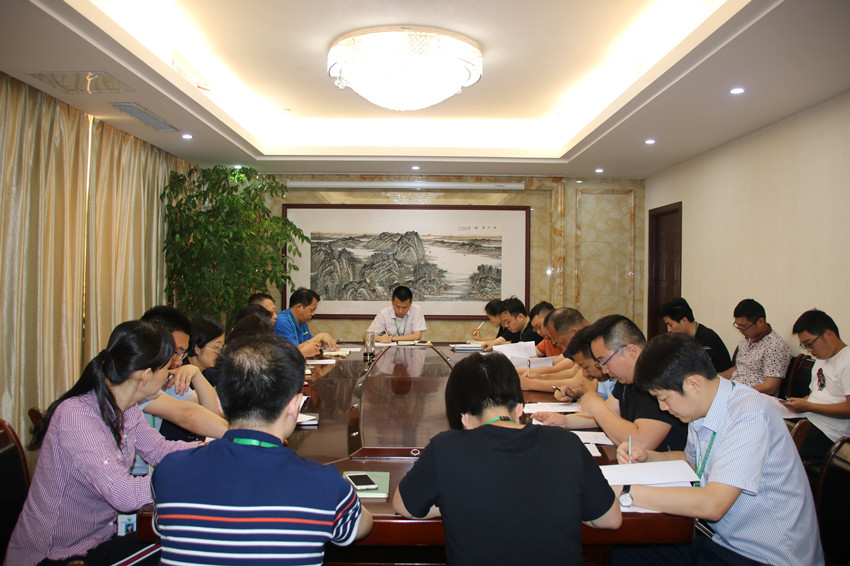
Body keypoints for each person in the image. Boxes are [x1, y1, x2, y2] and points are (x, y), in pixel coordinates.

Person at [153, 334, 372, 563]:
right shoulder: (325, 484)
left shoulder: (169, 470)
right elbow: (361, 527)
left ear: (220, 404)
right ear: (295, 405)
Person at [613, 333, 823, 566]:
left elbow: (713, 504)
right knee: (619, 550)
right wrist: (650, 457)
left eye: (663, 398)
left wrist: (626, 491)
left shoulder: (749, 414)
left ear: (693, 384)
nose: (663, 408)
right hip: (720, 539)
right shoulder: (702, 407)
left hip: (763, 555)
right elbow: (694, 462)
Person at [392, 352, 620, 565]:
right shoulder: (566, 442)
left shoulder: (444, 447)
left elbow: (405, 507)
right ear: (520, 408)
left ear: (463, 416)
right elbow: (609, 519)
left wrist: (454, 502)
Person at [5, 321, 196, 566]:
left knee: (177, 540)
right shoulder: (78, 416)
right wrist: (187, 478)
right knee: (177, 545)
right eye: (167, 366)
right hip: (58, 556)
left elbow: (160, 450)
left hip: (97, 541)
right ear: (146, 375)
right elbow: (123, 494)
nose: (172, 370)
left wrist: (212, 452)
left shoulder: (127, 409)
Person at [534, 315, 687, 452]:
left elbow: (641, 443)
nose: (604, 370)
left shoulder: (658, 377)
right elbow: (610, 412)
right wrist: (564, 421)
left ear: (630, 352)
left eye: (603, 361)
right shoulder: (626, 378)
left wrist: (596, 405)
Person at [135, 306, 226, 452]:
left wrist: (196, 374)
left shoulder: (167, 378)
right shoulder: (137, 380)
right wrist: (240, 437)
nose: (178, 362)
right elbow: (185, 415)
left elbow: (213, 411)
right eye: (175, 352)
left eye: (182, 354)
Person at [784, 309, 850, 462]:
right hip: (809, 420)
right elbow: (816, 394)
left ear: (829, 335)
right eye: (804, 345)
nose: (809, 351)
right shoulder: (821, 359)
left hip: (829, 434)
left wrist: (808, 406)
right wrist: (797, 404)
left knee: (776, 449)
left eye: (810, 344)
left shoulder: (847, 361)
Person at [719, 298, 791, 396]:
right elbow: (738, 368)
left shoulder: (775, 346)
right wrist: (714, 378)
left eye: (744, 326)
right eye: (738, 326)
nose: (740, 330)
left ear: (761, 322)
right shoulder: (745, 339)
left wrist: (738, 391)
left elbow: (771, 387)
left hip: (755, 396)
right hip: (735, 389)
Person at [659, 298, 732, 373]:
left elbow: (701, 370)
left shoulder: (707, 337)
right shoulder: (684, 338)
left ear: (684, 321)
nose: (669, 330)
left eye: (670, 325)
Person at [274, 287, 338, 357]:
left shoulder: (303, 321)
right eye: (311, 310)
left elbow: (310, 344)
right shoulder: (282, 321)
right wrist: (320, 336)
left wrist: (322, 342)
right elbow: (293, 352)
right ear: (299, 307)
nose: (313, 314)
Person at [186, 316, 225, 386]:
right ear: (196, 348)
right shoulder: (182, 374)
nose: (220, 353)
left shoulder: (209, 373)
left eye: (222, 347)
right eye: (216, 347)